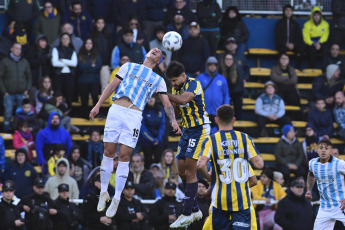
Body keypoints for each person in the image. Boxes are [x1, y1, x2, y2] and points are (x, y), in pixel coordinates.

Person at [89, 47, 181, 218]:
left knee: (124, 156)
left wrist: (174, 120)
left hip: (134, 114)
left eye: (159, 52)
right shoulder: (128, 66)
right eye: (154, 49)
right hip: (116, 109)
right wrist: (97, 105)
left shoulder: (158, 79)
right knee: (108, 152)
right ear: (146, 54)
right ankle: (103, 192)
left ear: (160, 61)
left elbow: (167, 104)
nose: (155, 50)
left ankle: (116, 198)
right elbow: (111, 86)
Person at [197, 105, 264, 230]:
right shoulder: (245, 138)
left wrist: (210, 179)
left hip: (220, 199)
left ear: (216, 120)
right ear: (233, 120)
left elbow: (200, 165)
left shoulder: (211, 140)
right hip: (241, 200)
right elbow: (259, 164)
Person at [165, 60, 211, 228]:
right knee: (182, 170)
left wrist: (164, 93)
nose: (173, 84)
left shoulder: (194, 84)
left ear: (183, 76)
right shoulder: (174, 88)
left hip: (199, 129)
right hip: (187, 130)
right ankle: (195, 209)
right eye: (171, 82)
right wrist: (171, 101)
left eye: (175, 80)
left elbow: (184, 100)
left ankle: (186, 213)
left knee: (191, 171)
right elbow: (178, 109)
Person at [306, 139, 345, 229]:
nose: (323, 150)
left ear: (331, 151)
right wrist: (309, 190)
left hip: (341, 206)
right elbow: (311, 174)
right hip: (325, 208)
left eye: (326, 148)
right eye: (321, 148)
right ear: (317, 150)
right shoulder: (312, 163)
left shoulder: (339, 164)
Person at [0, 42, 31, 132]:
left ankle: (19, 132)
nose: (18, 50)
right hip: (8, 93)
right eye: (16, 48)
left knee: (21, 115)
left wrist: (27, 89)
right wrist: (4, 91)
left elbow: (29, 76)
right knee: (8, 113)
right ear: (11, 49)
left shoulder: (24, 62)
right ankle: (6, 132)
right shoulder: (5, 61)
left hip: (21, 93)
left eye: (20, 49)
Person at [197, 56, 230, 133]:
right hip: (204, 111)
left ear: (217, 66)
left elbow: (226, 95)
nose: (212, 67)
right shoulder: (200, 78)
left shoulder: (222, 79)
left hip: (217, 111)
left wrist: (226, 107)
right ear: (207, 66)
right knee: (205, 133)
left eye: (214, 65)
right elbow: (195, 94)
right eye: (210, 65)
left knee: (216, 133)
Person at [51, 33, 78, 108]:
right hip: (58, 75)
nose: (65, 40)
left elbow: (74, 63)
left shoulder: (72, 50)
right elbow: (54, 63)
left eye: (67, 39)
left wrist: (62, 60)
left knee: (69, 95)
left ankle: (69, 112)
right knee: (58, 95)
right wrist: (68, 63)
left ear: (70, 40)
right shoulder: (56, 49)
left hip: (69, 76)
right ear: (61, 40)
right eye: (63, 38)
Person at [77, 37, 102, 118]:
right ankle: (85, 115)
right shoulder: (80, 55)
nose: (88, 45)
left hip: (94, 80)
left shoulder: (97, 55)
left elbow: (98, 66)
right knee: (84, 99)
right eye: (87, 43)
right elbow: (80, 67)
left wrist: (86, 67)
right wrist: (91, 65)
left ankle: (95, 114)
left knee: (95, 96)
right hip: (83, 81)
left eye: (90, 43)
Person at [139, 96, 166, 168]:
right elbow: (142, 127)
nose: (151, 99)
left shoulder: (160, 109)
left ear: (155, 99)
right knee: (148, 161)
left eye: (152, 98)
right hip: (146, 141)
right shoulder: (143, 110)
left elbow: (163, 125)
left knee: (158, 159)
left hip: (158, 140)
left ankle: (159, 177)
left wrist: (158, 138)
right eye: (148, 98)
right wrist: (152, 139)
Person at [219, 52, 246, 120]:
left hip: (235, 93)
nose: (228, 61)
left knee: (238, 104)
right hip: (224, 94)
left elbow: (240, 85)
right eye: (227, 59)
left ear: (233, 60)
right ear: (224, 60)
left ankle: (238, 127)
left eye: (230, 59)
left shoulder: (238, 69)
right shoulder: (220, 70)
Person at [275, 4, 302, 68]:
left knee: (301, 51)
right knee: (282, 52)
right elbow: (277, 37)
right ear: (284, 11)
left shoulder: (295, 24)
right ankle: (284, 69)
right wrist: (285, 44)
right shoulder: (279, 23)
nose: (288, 12)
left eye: (290, 10)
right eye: (286, 10)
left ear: (292, 12)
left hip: (293, 45)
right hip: (282, 45)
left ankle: (296, 69)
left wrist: (293, 44)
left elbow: (298, 37)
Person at [90, 17, 112, 93]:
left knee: (105, 83)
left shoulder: (108, 35)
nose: (100, 24)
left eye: (102, 23)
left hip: (105, 63)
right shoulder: (92, 35)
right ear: (95, 24)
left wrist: (109, 63)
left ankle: (104, 102)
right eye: (99, 22)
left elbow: (110, 50)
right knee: (93, 83)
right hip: (94, 62)